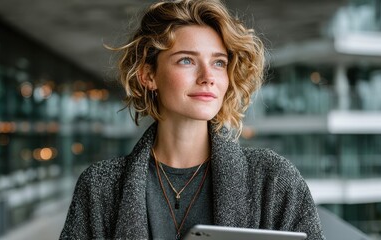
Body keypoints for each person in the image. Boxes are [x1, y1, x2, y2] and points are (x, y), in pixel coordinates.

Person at [60, 0, 325, 239]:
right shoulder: (99, 188)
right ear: (148, 75)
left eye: (219, 63)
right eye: (187, 60)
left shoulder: (273, 180)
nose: (207, 76)